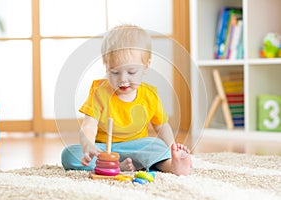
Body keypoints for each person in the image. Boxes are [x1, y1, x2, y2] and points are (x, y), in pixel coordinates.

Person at [61, 24, 192, 176]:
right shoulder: (99, 92)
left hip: (138, 148)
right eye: (115, 72)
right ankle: (116, 166)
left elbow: (162, 127)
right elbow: (89, 126)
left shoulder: (149, 95)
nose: (123, 80)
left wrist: (171, 148)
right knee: (69, 154)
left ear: (146, 66)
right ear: (106, 67)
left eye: (131, 72)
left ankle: (172, 165)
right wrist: (88, 145)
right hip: (105, 149)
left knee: (157, 146)